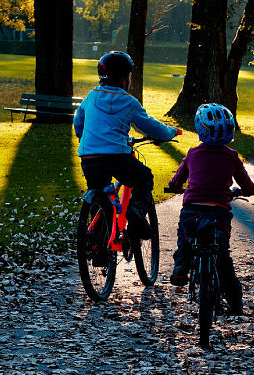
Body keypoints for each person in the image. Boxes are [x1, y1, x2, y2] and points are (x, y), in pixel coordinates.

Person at [74, 50, 182, 239]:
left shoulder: (91, 97)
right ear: (124, 79)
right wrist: (170, 132)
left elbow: (78, 121)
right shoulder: (128, 102)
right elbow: (150, 126)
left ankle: (97, 245)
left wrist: (83, 137)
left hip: (88, 157)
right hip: (116, 157)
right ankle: (136, 213)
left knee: (99, 193)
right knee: (144, 178)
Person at [167, 103, 254, 314]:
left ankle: (181, 266)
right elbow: (247, 185)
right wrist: (247, 191)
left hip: (192, 209)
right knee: (222, 256)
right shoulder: (231, 156)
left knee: (186, 239)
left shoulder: (192, 154)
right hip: (218, 212)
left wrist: (176, 188)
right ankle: (235, 304)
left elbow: (175, 182)